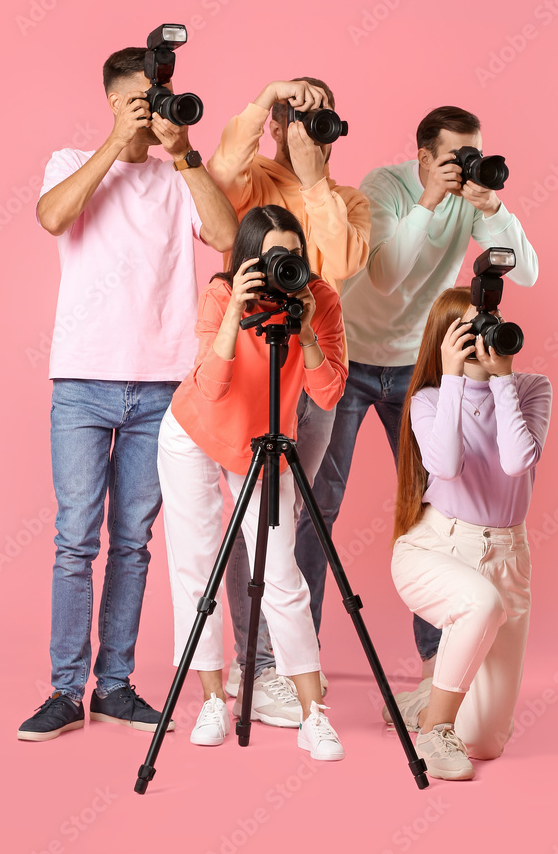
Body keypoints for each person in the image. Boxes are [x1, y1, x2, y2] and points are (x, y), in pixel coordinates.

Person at [17, 46, 238, 742]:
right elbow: (53, 217)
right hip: (83, 379)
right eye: (142, 97)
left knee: (134, 543)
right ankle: (63, 691)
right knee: (75, 538)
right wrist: (115, 142)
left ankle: (115, 686)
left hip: (163, 386)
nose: (155, 106)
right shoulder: (69, 160)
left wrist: (186, 155)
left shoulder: (180, 175)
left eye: (163, 92)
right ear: (114, 99)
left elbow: (228, 236)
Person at [297, 105, 539, 680]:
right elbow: (385, 275)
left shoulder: (470, 196)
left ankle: (438, 661)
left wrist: (495, 209)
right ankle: (296, 656)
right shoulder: (389, 187)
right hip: (352, 358)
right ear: (425, 157)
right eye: (454, 158)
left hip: (415, 366)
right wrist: (430, 199)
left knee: (436, 506)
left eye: (472, 153)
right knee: (319, 503)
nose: (465, 166)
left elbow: (526, 271)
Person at [207, 79, 370, 725]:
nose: (308, 126)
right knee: (255, 514)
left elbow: (338, 262)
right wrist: (266, 96)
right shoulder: (255, 180)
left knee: (305, 516)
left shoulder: (348, 199)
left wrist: (314, 179)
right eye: (294, 117)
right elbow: (218, 173)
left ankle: (291, 655)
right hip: (253, 370)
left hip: (315, 366)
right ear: (275, 124)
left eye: (319, 115)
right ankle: (254, 661)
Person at [158, 205, 347, 760]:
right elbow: (210, 389)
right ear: (246, 260)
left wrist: (306, 328)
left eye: (290, 256)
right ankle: (216, 697)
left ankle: (314, 715)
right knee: (196, 566)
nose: (281, 268)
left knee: (282, 572)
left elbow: (329, 394)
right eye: (268, 260)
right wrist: (234, 314)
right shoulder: (222, 293)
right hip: (195, 431)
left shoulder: (320, 300)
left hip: (263, 443)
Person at [382, 286, 552, 780]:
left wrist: (501, 379)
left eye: (490, 323)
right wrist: (453, 376)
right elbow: (448, 466)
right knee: (479, 603)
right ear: (447, 338)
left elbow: (518, 460)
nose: (486, 337)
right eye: (473, 328)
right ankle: (435, 729)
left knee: (486, 744)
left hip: (508, 558)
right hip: (437, 546)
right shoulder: (428, 400)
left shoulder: (531, 388)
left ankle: (420, 704)